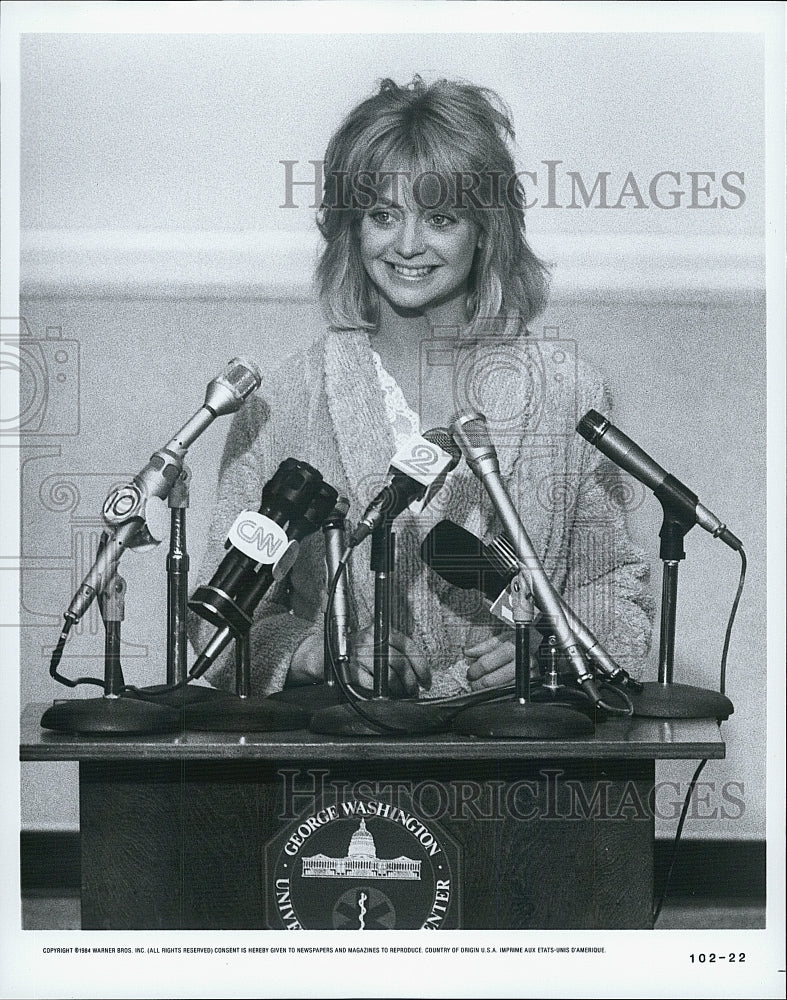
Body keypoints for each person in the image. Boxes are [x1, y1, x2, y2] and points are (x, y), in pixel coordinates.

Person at [188, 77, 653, 699]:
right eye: (383, 215)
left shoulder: (566, 391)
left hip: (526, 756)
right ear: (351, 226)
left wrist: (552, 649)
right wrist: (317, 652)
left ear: (486, 228)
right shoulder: (287, 403)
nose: (407, 245)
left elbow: (615, 587)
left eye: (439, 218)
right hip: (341, 764)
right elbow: (215, 621)